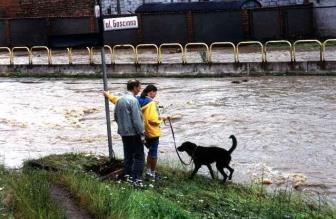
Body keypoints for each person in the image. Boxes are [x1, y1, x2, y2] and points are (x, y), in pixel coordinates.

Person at [104, 84, 169, 179]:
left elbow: (117, 100)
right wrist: (163, 118)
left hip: (137, 132)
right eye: (155, 93)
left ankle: (131, 174)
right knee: (152, 153)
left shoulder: (135, 99)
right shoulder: (151, 103)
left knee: (131, 154)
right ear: (151, 92)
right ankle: (151, 173)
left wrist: (108, 95)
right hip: (151, 132)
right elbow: (152, 120)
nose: (155, 95)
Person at [109, 79, 145, 183]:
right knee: (139, 156)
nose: (140, 89)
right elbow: (137, 120)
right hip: (134, 133)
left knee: (128, 155)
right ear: (134, 88)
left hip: (123, 133)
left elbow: (115, 116)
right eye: (139, 87)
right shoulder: (133, 101)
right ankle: (137, 180)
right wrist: (142, 134)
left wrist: (122, 126)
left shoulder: (120, 100)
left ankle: (127, 177)